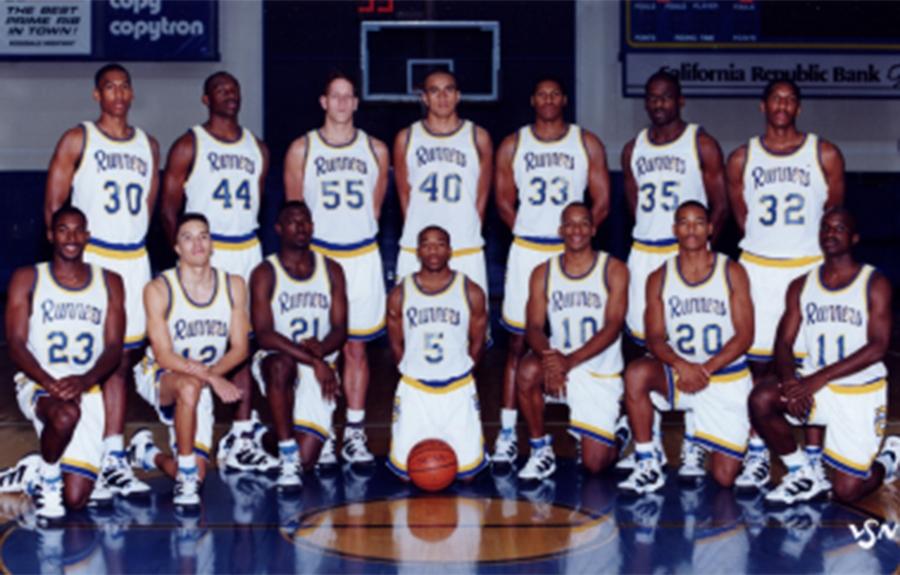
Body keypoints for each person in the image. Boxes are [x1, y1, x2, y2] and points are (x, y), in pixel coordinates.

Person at [43, 63, 158, 500]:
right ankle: (67, 448)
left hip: (132, 258)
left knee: (122, 359)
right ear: (97, 96)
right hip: (92, 255)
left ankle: (112, 455)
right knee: (86, 353)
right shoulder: (78, 138)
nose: (118, 93)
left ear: (132, 93)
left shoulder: (149, 145)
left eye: (125, 85)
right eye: (109, 86)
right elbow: (54, 207)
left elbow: (146, 208)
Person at [726, 79, 845, 491]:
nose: (783, 105)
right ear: (763, 106)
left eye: (790, 99)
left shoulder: (824, 152)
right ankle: (758, 451)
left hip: (807, 268)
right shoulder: (742, 157)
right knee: (759, 363)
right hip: (760, 268)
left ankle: (812, 457)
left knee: (808, 363)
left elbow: (833, 215)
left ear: (798, 107)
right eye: (776, 99)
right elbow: (742, 216)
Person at [492, 77, 611, 468]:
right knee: (517, 344)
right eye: (540, 93)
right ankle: (509, 431)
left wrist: (574, 240)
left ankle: (587, 425)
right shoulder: (513, 143)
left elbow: (603, 202)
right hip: (530, 249)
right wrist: (534, 238)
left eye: (554, 94)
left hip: (573, 250)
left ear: (564, 99)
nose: (548, 99)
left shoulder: (586, 142)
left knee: (582, 337)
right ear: (532, 100)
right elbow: (504, 203)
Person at [160, 71, 274, 473]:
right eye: (221, 90)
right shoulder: (190, 143)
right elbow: (170, 206)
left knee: (244, 343)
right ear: (206, 99)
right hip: (208, 246)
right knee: (204, 339)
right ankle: (185, 413)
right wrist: (185, 252)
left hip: (247, 246)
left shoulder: (257, 148)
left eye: (235, 89)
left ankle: (242, 434)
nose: (230, 95)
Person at [619, 70, 728, 479]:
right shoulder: (633, 149)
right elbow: (634, 206)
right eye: (652, 98)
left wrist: (700, 249)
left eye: (666, 98)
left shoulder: (700, 142)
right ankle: (648, 440)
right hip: (646, 252)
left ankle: (697, 439)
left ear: (680, 101)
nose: (659, 104)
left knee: (694, 345)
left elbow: (719, 206)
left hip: (688, 252)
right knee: (649, 346)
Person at [749, 208, 899, 504]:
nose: (830, 233)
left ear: (854, 238)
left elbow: (878, 347)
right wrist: (791, 380)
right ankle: (802, 473)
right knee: (761, 398)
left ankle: (890, 458)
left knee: (847, 492)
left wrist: (816, 379)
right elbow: (784, 340)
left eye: (839, 228)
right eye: (826, 227)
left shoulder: (874, 283)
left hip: (859, 392)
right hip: (816, 390)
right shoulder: (802, 285)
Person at [283, 72, 389, 466]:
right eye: (335, 96)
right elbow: (295, 214)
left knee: (357, 348)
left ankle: (356, 434)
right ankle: (321, 428)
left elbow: (375, 209)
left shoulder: (376, 149)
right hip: (319, 260)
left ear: (356, 103)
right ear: (323, 102)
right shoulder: (302, 149)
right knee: (317, 350)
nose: (343, 103)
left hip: (361, 256)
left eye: (349, 97)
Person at [618, 201, 754, 494]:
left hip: (724, 377)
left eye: (698, 222)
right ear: (674, 230)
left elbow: (745, 336)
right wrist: (683, 366)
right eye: (684, 222)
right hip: (680, 375)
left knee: (724, 478)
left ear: (710, 228)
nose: (691, 229)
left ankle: (709, 438)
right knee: (637, 373)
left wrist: (704, 370)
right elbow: (654, 338)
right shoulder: (659, 277)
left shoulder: (732, 271)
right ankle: (647, 462)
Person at [1, 207, 124, 519]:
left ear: (87, 236)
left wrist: (84, 381)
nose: (70, 237)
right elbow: (15, 344)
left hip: (87, 386)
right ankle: (50, 476)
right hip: (38, 380)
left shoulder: (110, 281)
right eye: (62, 229)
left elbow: (113, 347)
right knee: (65, 415)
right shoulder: (28, 278)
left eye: (77, 230)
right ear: (50, 235)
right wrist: (46, 380)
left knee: (77, 498)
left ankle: (33, 470)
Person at [129, 213, 247, 509]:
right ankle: (185, 476)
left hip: (203, 377)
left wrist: (210, 376)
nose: (197, 243)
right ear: (177, 248)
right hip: (160, 374)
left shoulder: (233, 285)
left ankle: (147, 453)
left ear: (212, 244)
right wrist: (213, 378)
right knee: (190, 387)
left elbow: (240, 348)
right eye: (188, 237)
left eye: (203, 236)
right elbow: (164, 355)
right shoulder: (158, 289)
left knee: (201, 473)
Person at [515, 203, 627, 480]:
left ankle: (623, 434)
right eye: (570, 224)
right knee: (527, 370)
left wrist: (567, 362)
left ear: (593, 228)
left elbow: (613, 327)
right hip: (560, 363)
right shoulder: (543, 272)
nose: (576, 230)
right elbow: (534, 326)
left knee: (594, 465)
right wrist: (551, 361)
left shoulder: (613, 270)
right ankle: (541, 449)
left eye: (583, 223)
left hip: (599, 370)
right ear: (560, 230)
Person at [249, 201, 348, 489]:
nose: (300, 226)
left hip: (322, 361)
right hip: (279, 358)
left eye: (305, 221)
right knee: (281, 366)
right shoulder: (265, 272)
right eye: (292, 221)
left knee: (310, 462)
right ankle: (286, 453)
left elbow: (341, 328)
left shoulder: (332, 269)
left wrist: (323, 352)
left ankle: (261, 435)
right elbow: (265, 334)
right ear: (279, 229)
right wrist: (314, 360)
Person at [385, 226, 489, 481]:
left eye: (440, 243)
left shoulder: (471, 291)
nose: (433, 249)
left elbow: (478, 342)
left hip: (457, 390)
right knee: (406, 474)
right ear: (418, 250)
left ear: (450, 250)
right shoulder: (400, 293)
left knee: (468, 476)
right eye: (427, 244)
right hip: (415, 390)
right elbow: (396, 343)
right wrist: (412, 371)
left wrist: (463, 371)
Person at [393, 69, 493, 293]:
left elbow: (482, 195)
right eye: (434, 91)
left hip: (465, 245)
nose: (442, 97)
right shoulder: (406, 138)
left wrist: (469, 229)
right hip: (417, 247)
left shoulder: (478, 137)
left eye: (448, 90)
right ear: (424, 98)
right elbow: (404, 195)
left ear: (458, 96)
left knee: (471, 322)